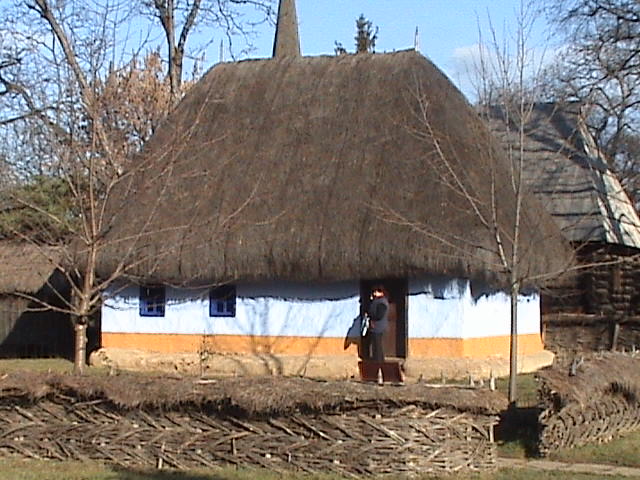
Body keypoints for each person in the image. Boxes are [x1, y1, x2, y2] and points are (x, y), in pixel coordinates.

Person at [362, 285, 389, 362]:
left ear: (382, 293)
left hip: (378, 327)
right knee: (375, 345)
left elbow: (379, 315)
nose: (375, 293)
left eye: (377, 291)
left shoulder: (382, 302)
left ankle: (379, 362)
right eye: (374, 291)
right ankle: (376, 360)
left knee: (378, 346)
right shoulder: (376, 301)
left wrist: (370, 315)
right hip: (375, 327)